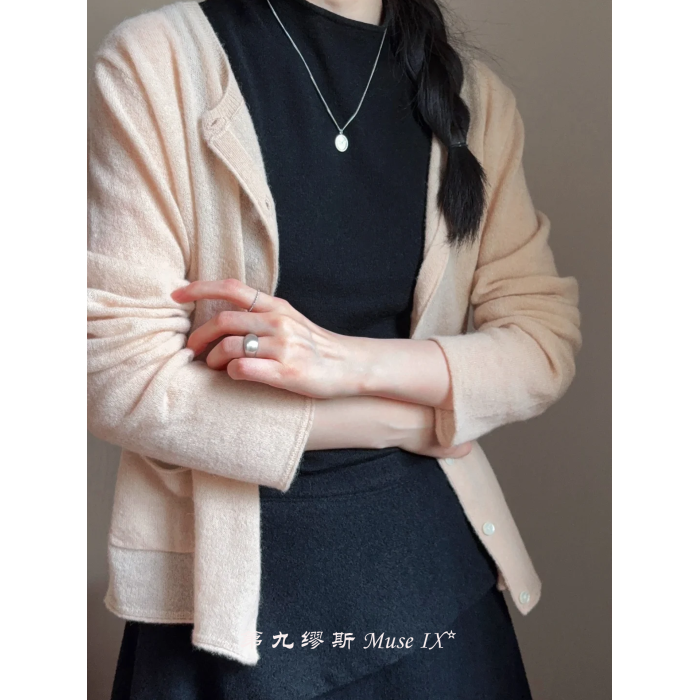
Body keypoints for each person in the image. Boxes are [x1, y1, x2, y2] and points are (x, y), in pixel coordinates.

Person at [87, 0, 582, 697]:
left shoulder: (476, 101)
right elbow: (115, 374)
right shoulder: (159, 61)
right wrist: (395, 421)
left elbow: (542, 340)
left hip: (439, 595)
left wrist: (344, 361)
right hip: (231, 614)